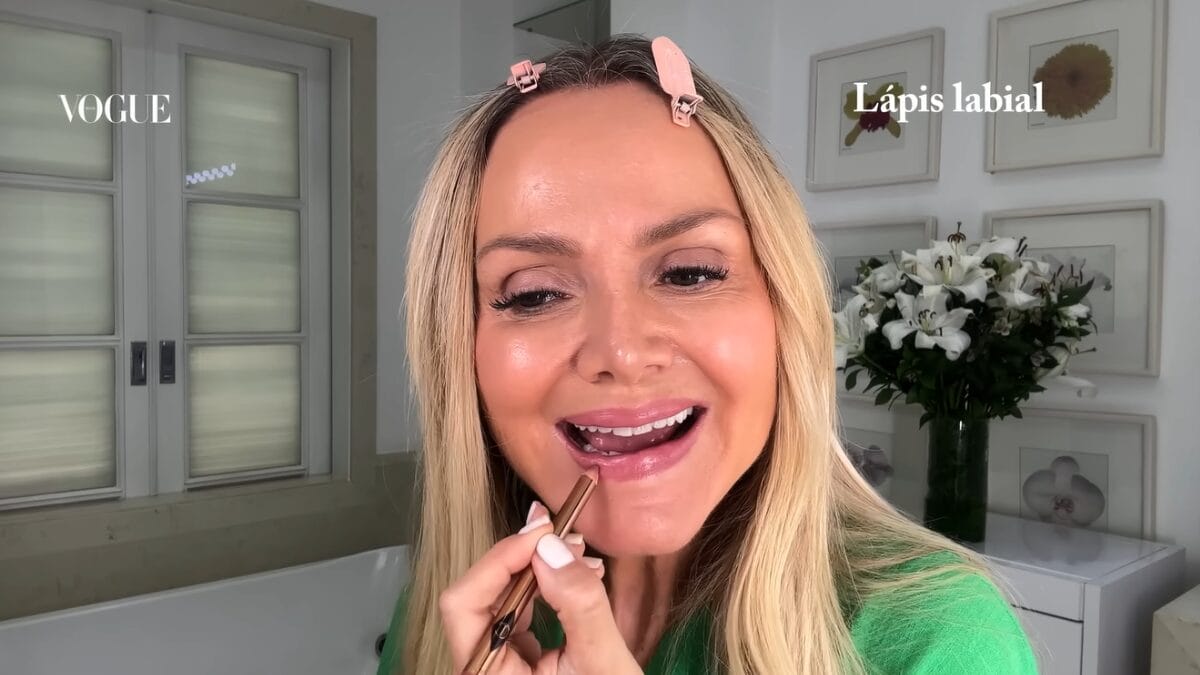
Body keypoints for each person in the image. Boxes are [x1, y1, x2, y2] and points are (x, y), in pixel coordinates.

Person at [378, 34, 1037, 675]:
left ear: (784, 307)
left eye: (689, 273)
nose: (622, 352)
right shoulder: (453, 619)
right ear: (459, 346)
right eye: (535, 293)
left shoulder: (941, 640)